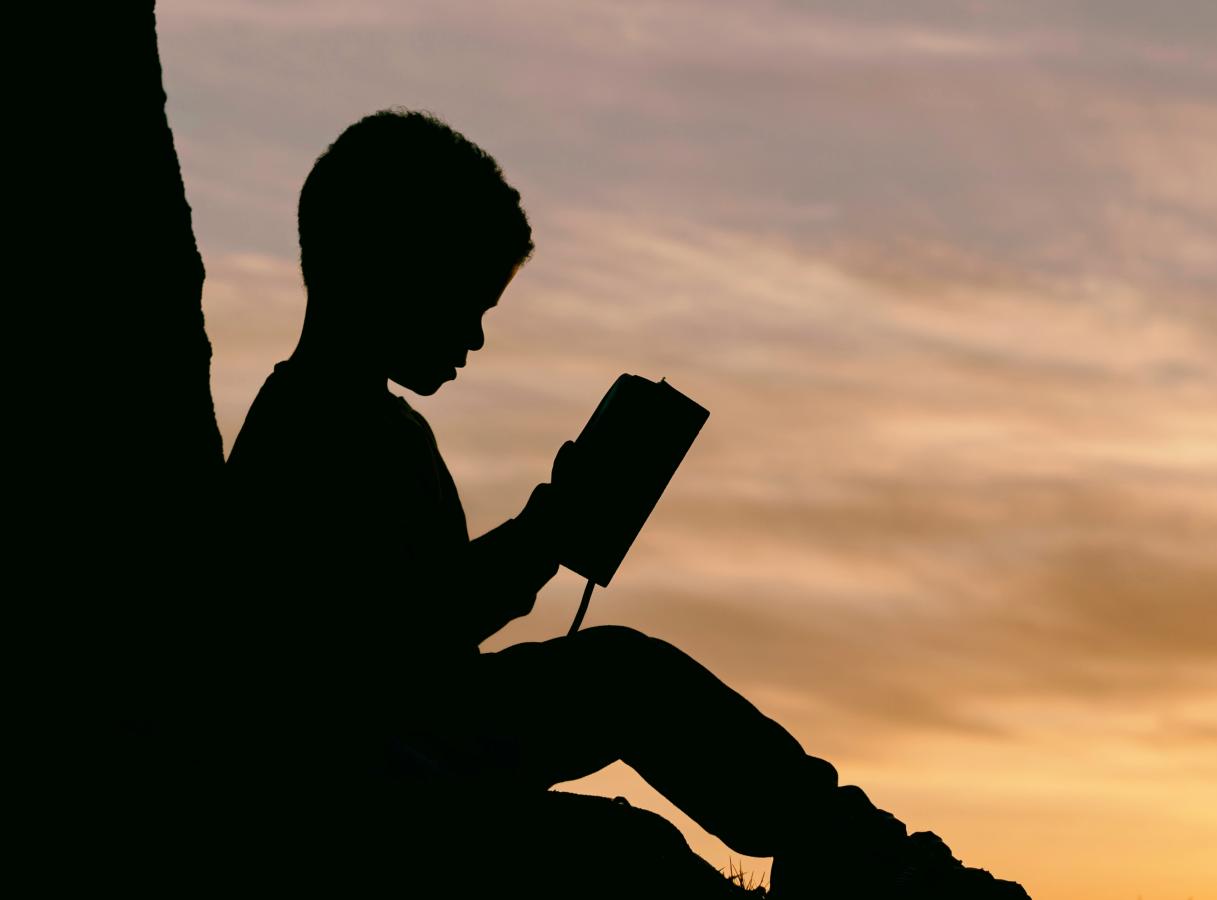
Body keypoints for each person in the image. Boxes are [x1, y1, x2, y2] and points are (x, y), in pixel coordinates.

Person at [222, 108, 1027, 899]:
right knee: (626, 743)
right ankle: (869, 862)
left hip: (412, 753)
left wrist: (548, 531)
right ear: (391, 267)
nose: (473, 337)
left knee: (624, 721)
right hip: (363, 784)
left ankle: (860, 856)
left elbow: (424, 630)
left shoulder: (380, 427)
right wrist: (546, 534)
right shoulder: (308, 431)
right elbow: (387, 650)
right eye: (465, 299)